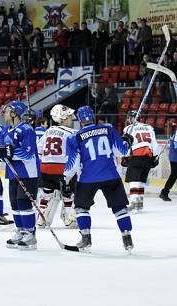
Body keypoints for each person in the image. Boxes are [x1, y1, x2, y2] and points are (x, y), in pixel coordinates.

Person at [64, 106, 134, 253]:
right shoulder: (108, 128)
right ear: (93, 117)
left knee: (81, 208)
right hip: (111, 176)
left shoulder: (74, 137)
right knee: (120, 208)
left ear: (80, 121)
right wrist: (127, 140)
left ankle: (86, 240)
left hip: (88, 179)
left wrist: (65, 179)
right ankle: (127, 239)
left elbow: (72, 165)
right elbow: (123, 151)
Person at [0, 101, 39, 250]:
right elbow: (3, 152)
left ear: (14, 113)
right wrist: (1, 154)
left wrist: (10, 153)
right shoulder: (5, 130)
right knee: (14, 204)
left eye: (7, 111)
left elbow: (28, 153)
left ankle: (30, 234)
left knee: (23, 203)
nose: (4, 114)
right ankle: (21, 231)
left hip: (27, 173)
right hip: (12, 173)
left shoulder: (27, 129)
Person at [36, 105, 77, 228]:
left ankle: (41, 218)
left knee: (46, 193)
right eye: (69, 116)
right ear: (63, 118)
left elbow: (39, 149)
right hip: (62, 167)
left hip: (46, 167)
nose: (71, 119)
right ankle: (69, 218)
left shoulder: (48, 131)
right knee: (68, 193)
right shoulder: (71, 132)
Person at [121, 110, 159, 213]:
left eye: (129, 118)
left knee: (134, 180)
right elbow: (154, 145)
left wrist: (125, 156)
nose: (128, 120)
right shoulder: (149, 127)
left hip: (136, 156)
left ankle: (134, 203)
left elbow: (126, 145)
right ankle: (140, 204)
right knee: (142, 180)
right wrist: (155, 156)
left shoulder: (128, 128)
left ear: (132, 118)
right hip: (148, 157)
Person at [160, 130, 177, 202]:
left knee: (174, 175)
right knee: (174, 175)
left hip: (174, 157)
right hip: (175, 157)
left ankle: (164, 192)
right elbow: (176, 145)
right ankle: (164, 192)